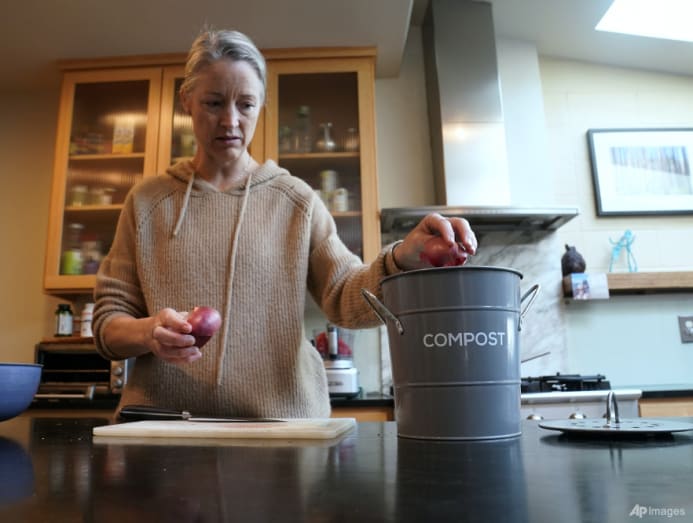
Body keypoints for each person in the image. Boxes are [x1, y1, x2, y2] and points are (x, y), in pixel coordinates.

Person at [92, 29, 477, 418]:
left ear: (261, 106)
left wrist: (401, 260)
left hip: (279, 426)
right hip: (165, 427)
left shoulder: (297, 200)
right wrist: (149, 333)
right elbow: (108, 324)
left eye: (246, 104)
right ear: (187, 101)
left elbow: (346, 297)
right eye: (213, 102)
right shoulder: (147, 202)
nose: (230, 120)